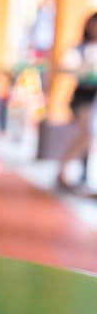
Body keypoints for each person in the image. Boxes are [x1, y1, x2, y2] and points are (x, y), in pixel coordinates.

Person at [56, 12, 97, 191]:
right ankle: (63, 170)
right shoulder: (79, 48)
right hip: (84, 98)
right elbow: (63, 66)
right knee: (87, 132)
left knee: (88, 135)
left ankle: (81, 174)